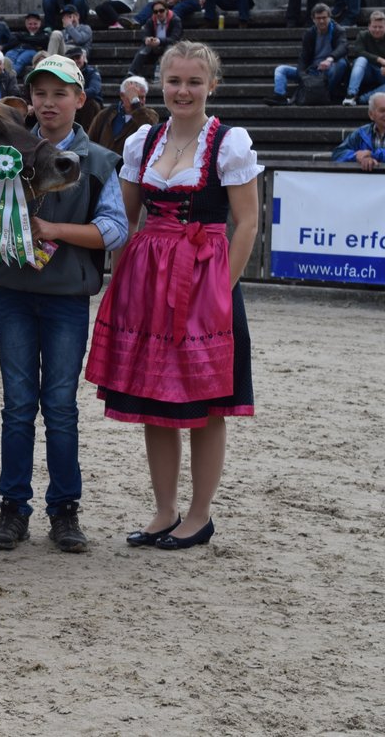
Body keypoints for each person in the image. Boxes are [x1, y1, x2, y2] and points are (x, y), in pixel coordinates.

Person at [85, 41, 262, 551]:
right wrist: (122, 279)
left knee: (207, 403)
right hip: (150, 281)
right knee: (153, 398)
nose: (183, 90)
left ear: (212, 85)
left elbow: (247, 223)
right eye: (174, 81)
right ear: (161, 83)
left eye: (194, 81)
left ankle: (200, 515)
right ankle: (165, 510)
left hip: (207, 278)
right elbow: (125, 218)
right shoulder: (145, 140)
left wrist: (220, 294)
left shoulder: (229, 143)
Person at [0, 54, 128, 553]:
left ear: (80, 100)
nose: (48, 103)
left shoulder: (102, 162)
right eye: (40, 93)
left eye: (60, 93)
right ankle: (13, 509)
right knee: (18, 406)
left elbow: (114, 229)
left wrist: (53, 231)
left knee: (59, 407)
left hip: (65, 298)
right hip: (15, 292)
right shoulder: (6, 154)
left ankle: (64, 510)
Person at [267, 3, 346, 106]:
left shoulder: (338, 30)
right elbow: (303, 58)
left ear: (329, 17)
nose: (321, 21)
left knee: (341, 64)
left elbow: (343, 47)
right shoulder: (310, 33)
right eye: (318, 18)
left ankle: (323, 93)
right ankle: (280, 96)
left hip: (329, 69)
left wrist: (330, 59)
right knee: (281, 69)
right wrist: (303, 75)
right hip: (311, 71)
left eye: (324, 18)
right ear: (313, 19)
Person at [86, 74, 159, 158]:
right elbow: (90, 141)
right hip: (103, 166)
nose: (140, 101)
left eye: (142, 97)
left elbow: (149, 128)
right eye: (136, 97)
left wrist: (135, 103)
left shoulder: (149, 115)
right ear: (122, 96)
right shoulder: (105, 115)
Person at [343, 10, 385, 105]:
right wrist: (380, 59)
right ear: (369, 26)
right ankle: (351, 94)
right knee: (361, 59)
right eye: (374, 27)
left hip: (381, 74)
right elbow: (359, 52)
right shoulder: (362, 35)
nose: (377, 30)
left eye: (380, 27)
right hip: (366, 71)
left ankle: (365, 99)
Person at [332, 92, 385, 169]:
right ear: (371, 115)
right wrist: (357, 156)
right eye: (382, 110)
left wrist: (372, 154)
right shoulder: (362, 133)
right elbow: (337, 154)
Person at [128, 0, 184, 78]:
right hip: (154, 47)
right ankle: (131, 73)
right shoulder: (150, 21)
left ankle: (164, 75)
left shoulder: (175, 20)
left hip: (169, 45)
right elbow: (144, 35)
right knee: (144, 48)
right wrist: (147, 39)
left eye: (161, 11)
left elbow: (174, 39)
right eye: (155, 12)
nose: (158, 13)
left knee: (170, 48)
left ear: (167, 10)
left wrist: (159, 41)